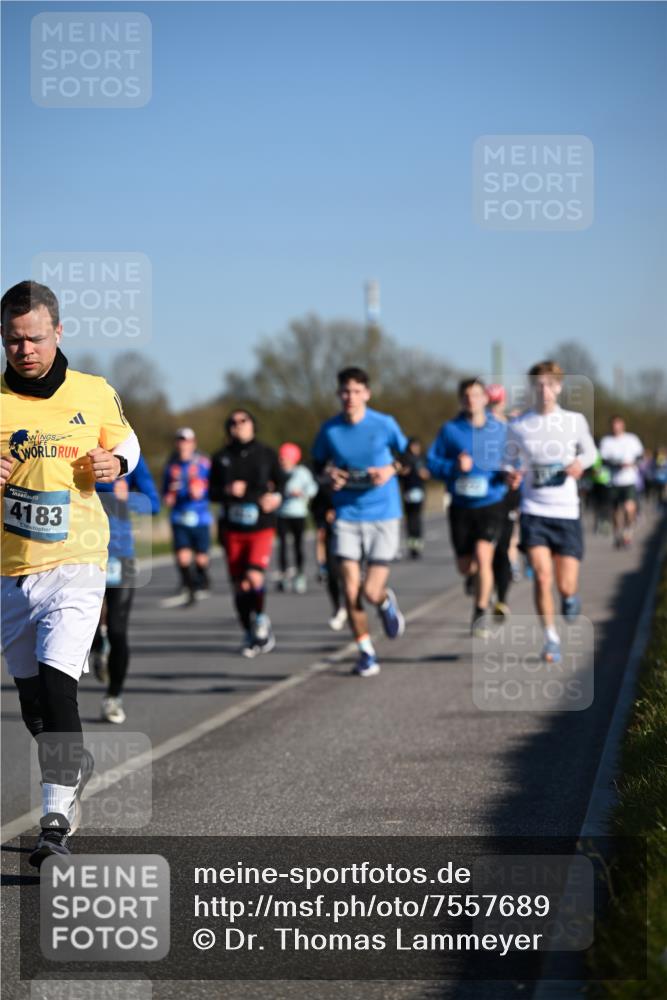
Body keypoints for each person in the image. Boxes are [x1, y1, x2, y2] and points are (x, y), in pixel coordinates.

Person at [0, 280, 140, 867]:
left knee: (62, 690)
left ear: (58, 332)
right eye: (11, 341)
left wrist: (116, 460)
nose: (23, 350)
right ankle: (72, 765)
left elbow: (128, 444)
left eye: (33, 338)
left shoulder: (93, 391)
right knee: (36, 709)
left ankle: (54, 821)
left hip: (78, 563)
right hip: (11, 572)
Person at [312, 367, 408, 677]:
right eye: (344, 391)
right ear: (338, 393)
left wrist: (390, 469)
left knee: (369, 591)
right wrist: (327, 476)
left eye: (356, 391)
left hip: (383, 514)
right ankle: (366, 651)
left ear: (366, 393)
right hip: (347, 517)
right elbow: (315, 466)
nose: (349, 397)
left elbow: (410, 458)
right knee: (350, 590)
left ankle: (384, 602)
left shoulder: (384, 424)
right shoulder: (330, 431)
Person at [506, 360, 597, 663]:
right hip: (534, 511)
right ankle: (551, 638)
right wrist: (512, 474)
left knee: (565, 584)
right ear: (532, 388)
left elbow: (591, 452)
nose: (543, 390)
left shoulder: (574, 421)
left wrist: (578, 464)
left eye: (549, 384)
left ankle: (570, 598)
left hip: (567, 512)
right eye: (538, 385)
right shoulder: (519, 426)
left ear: (559, 387)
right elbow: (508, 460)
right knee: (542, 577)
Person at [427, 378, 508, 636]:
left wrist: (509, 474)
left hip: (492, 502)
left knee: (484, 556)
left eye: (476, 395)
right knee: (465, 566)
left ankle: (480, 611)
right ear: (461, 400)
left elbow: (514, 458)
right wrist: (452, 467)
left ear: (486, 399)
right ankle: (474, 579)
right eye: (466, 396)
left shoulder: (500, 430)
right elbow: (431, 463)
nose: (471, 400)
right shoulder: (450, 430)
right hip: (461, 505)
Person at [89, 454, 160, 723]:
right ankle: (98, 646)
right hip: (82, 553)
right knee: (88, 627)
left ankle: (113, 697)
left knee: (118, 629)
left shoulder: (130, 457)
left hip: (120, 554)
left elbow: (153, 504)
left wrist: (128, 497)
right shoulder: (76, 447)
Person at [209, 409, 284, 657]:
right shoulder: (221, 458)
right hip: (232, 528)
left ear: (253, 424)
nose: (238, 425)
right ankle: (248, 631)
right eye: (233, 422)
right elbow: (212, 492)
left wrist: (275, 498)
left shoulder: (266, 454)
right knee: (239, 586)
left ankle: (261, 619)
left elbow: (282, 482)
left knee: (254, 576)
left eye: (243, 421)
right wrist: (228, 489)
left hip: (261, 524)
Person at [161, 428, 212, 606]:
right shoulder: (172, 465)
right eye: (180, 441)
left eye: (187, 441)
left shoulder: (204, 464)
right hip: (179, 516)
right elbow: (166, 491)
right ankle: (189, 589)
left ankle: (203, 578)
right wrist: (168, 497)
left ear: (193, 443)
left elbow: (215, 487)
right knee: (183, 556)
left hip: (200, 516)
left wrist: (202, 491)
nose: (183, 444)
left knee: (201, 558)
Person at [275, 443, 318, 594]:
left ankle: (299, 574)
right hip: (281, 514)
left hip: (298, 513)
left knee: (298, 545)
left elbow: (313, 488)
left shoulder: (302, 472)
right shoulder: (277, 472)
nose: (282, 460)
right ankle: (284, 574)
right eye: (281, 457)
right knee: (282, 546)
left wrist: (302, 493)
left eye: (285, 457)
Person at [598, 416, 644, 548]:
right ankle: (617, 534)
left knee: (629, 508)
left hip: (629, 480)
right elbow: (603, 460)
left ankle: (627, 533)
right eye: (614, 425)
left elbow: (640, 456)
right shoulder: (606, 441)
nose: (616, 427)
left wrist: (633, 463)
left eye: (618, 424)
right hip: (613, 481)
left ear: (623, 425)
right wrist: (617, 464)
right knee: (616, 511)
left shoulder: (632, 439)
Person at [310, 480, 347, 630]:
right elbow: (315, 510)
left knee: (351, 578)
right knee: (333, 575)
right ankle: (338, 608)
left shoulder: (353, 484)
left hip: (353, 535)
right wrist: (324, 515)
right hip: (332, 538)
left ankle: (352, 606)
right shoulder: (324, 488)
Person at [398, 438, 430, 558]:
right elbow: (399, 474)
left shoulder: (422, 459)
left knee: (417, 519)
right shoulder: (404, 458)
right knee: (410, 520)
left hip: (419, 492)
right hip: (408, 492)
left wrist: (425, 474)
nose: (415, 448)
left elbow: (428, 474)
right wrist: (402, 472)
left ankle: (418, 546)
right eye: (413, 446)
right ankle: (412, 547)